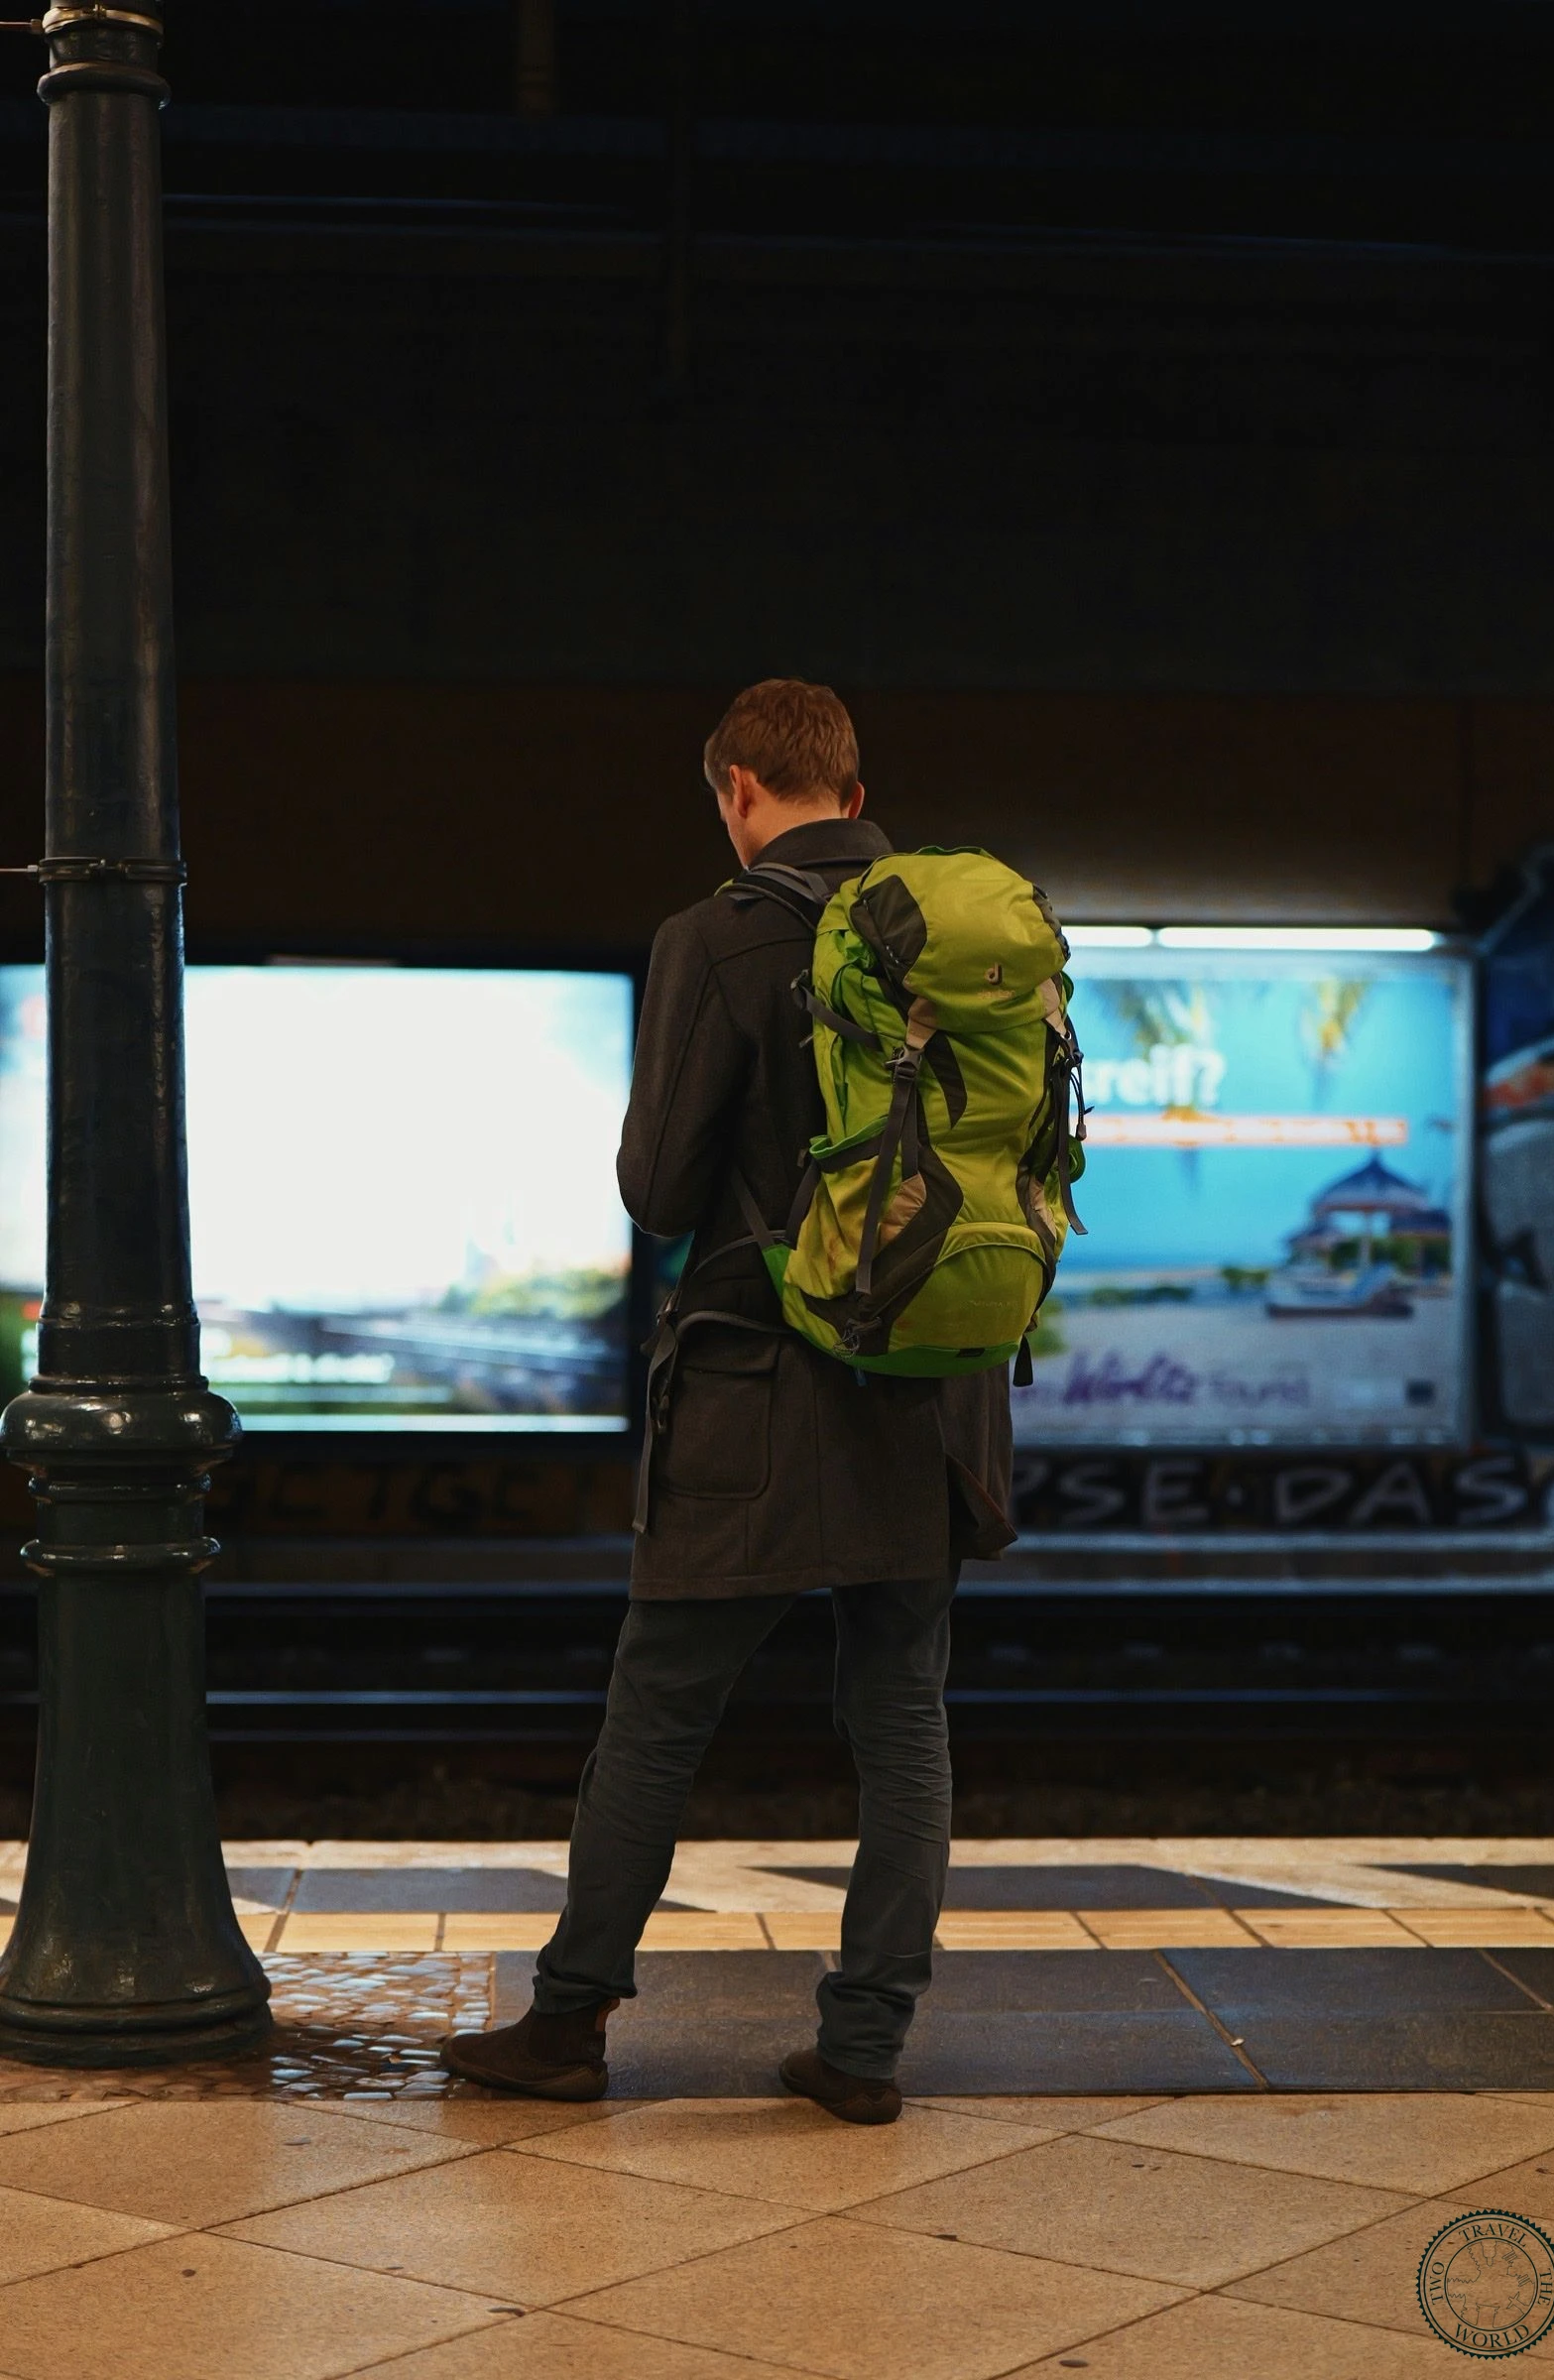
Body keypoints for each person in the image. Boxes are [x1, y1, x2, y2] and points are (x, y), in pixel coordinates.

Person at [443, 677, 1014, 2123]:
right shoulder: (953, 935)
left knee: (658, 1715)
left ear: (738, 790)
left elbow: (660, 1192)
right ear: (855, 781)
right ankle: (866, 2048)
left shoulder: (719, 933)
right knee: (902, 1715)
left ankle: (568, 2027)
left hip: (760, 1390)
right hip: (931, 1393)